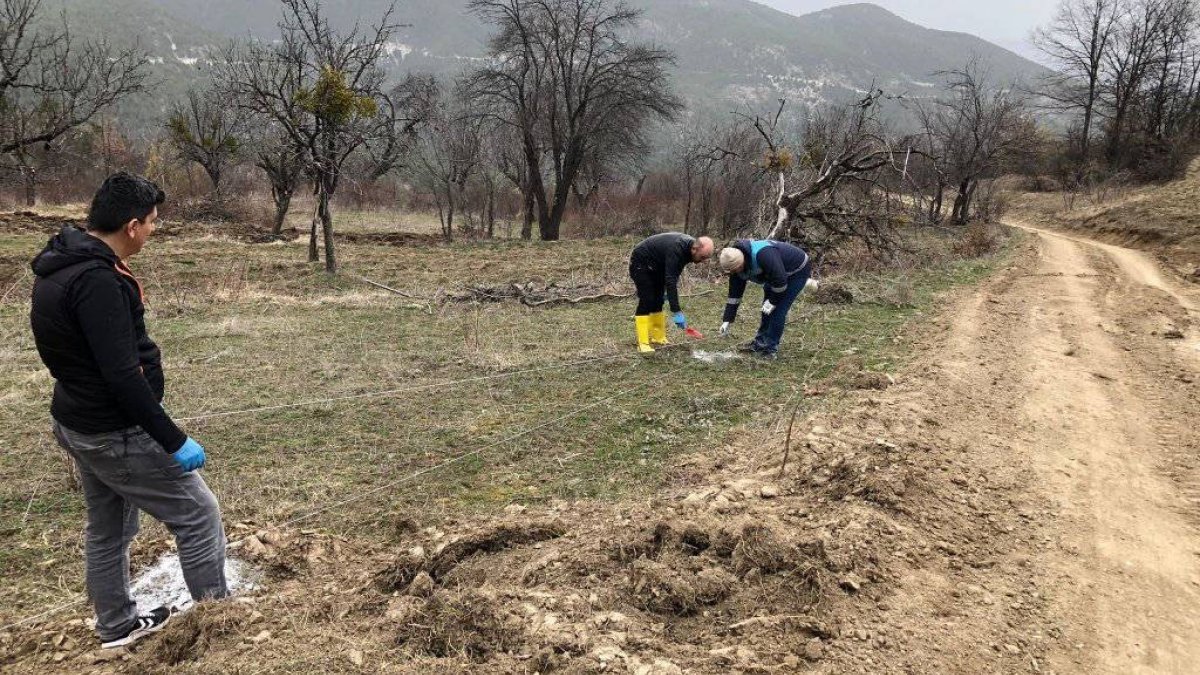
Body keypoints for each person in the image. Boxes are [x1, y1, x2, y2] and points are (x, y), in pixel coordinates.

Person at [29, 172, 229, 649]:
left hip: (77, 420)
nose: (155, 231)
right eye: (154, 222)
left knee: (110, 525)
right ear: (133, 225)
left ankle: (116, 624)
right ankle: (220, 626)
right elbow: (123, 378)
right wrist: (174, 440)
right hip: (113, 430)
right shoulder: (97, 282)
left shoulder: (62, 262)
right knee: (198, 514)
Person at [717, 238, 817, 358]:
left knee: (778, 310)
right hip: (776, 275)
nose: (734, 273)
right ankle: (760, 343)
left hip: (797, 270)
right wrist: (727, 320)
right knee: (766, 309)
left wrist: (773, 301)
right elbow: (734, 295)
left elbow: (780, 282)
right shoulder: (736, 267)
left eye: (735, 270)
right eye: (731, 272)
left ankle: (770, 349)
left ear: (741, 263)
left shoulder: (763, 255)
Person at [628, 233, 714, 353]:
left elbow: (674, 273)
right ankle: (643, 343)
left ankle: (658, 337)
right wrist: (676, 311)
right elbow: (671, 280)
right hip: (640, 261)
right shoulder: (677, 249)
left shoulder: (689, 250)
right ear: (695, 249)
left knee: (658, 299)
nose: (703, 261)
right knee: (647, 299)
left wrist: (666, 292)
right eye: (703, 257)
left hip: (656, 265)